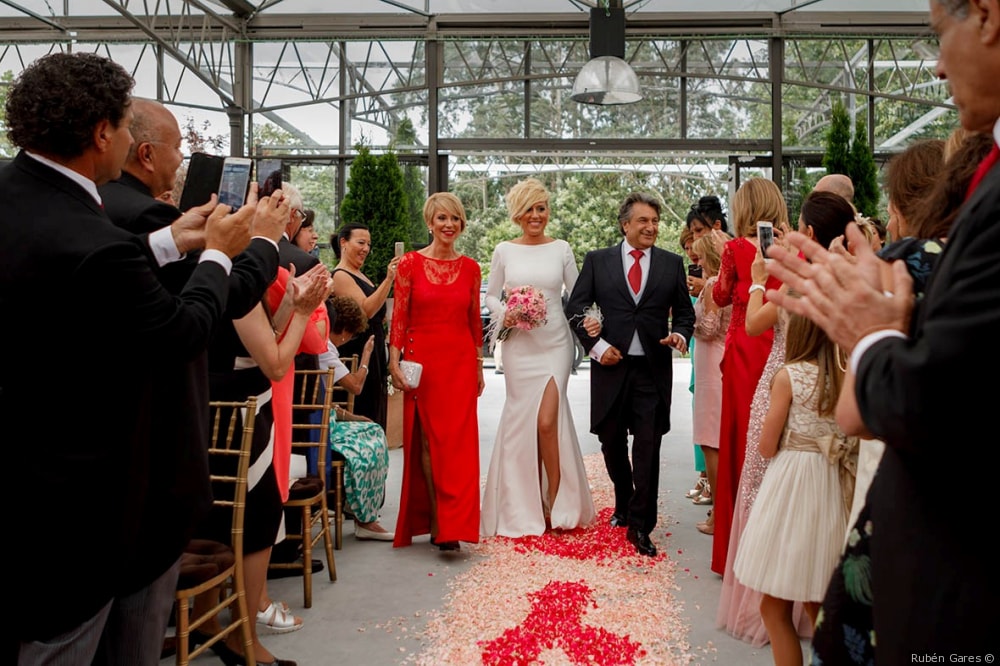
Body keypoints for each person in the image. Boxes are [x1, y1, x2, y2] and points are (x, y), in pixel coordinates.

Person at [764, 0, 999, 656]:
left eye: (938, 33)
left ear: (986, 16)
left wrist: (867, 333)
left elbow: (920, 402)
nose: (937, 63)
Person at [1, 52, 253, 665]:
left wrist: (173, 241)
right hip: (79, 506)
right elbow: (180, 330)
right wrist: (218, 254)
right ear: (101, 134)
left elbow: (75, 272)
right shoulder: (92, 241)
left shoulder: (24, 201)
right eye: (123, 126)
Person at [98, 98, 288, 659]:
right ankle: (221, 631)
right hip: (154, 421)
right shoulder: (141, 214)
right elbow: (219, 298)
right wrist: (264, 241)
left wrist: (182, 237)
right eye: (178, 147)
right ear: (146, 151)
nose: (182, 161)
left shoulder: (102, 211)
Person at [718, 189, 855, 648]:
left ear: (811, 232)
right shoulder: (845, 281)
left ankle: (775, 595)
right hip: (831, 396)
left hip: (782, 386)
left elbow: (755, 322)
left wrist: (759, 278)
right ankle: (811, 600)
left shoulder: (798, 283)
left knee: (766, 489)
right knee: (818, 498)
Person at [196, 262, 333, 666]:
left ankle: (207, 621)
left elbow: (256, 336)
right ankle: (244, 635)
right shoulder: (240, 274)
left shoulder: (212, 266)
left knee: (213, 514)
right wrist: (304, 311)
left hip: (206, 404)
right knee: (256, 517)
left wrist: (288, 306)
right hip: (241, 410)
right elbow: (274, 361)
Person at [565, 191, 695, 557]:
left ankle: (641, 525)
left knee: (648, 447)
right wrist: (596, 347)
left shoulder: (671, 264)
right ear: (625, 225)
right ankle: (624, 499)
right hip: (611, 366)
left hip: (653, 370)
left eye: (655, 221)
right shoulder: (598, 261)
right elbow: (574, 308)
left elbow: (685, 314)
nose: (651, 227)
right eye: (643, 221)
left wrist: (681, 335)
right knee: (610, 441)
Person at [733, 313, 858, 666]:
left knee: (773, 607)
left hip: (793, 484)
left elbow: (767, 446)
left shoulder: (789, 376)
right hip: (829, 482)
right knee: (816, 596)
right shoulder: (844, 374)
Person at [480, 177, 598, 537]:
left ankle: (556, 501)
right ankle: (523, 506)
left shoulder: (561, 248)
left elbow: (578, 296)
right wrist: (506, 313)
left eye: (541, 208)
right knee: (523, 423)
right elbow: (490, 296)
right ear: (518, 214)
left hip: (555, 345)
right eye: (530, 209)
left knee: (548, 421)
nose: (536, 215)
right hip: (519, 345)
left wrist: (593, 319)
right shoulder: (504, 250)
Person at [388, 192, 484, 551]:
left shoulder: (472, 268)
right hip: (422, 361)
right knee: (427, 440)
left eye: (455, 219)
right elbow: (400, 316)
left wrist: (478, 366)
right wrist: (393, 360)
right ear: (430, 223)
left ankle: (454, 523)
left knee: (457, 445)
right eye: (442, 218)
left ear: (461, 225)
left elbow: (474, 321)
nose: (449, 225)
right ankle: (437, 520)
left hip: (459, 361)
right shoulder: (410, 264)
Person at [709, 177, 786, 576]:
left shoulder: (736, 248)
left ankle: (737, 549)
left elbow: (721, 295)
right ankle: (775, 543)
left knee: (741, 437)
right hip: (779, 345)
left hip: (743, 348)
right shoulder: (791, 250)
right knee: (774, 439)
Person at [320, 295, 394, 540]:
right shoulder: (325, 348)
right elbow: (355, 386)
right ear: (344, 332)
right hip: (322, 425)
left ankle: (362, 511)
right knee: (369, 443)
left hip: (326, 415)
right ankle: (364, 517)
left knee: (372, 431)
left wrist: (354, 417)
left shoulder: (323, 345)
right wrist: (366, 358)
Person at [331, 222, 401, 428]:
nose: (366, 249)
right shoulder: (341, 275)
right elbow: (365, 311)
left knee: (376, 406)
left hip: (374, 348)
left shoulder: (360, 274)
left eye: (368, 244)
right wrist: (389, 279)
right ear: (343, 243)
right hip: (359, 350)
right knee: (364, 408)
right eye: (361, 242)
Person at [690, 233, 731, 535]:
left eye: (701, 256)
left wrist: (684, 323)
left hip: (710, 365)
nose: (698, 262)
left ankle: (719, 515)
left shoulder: (712, 286)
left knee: (710, 442)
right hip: (719, 360)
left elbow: (708, 328)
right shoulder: (728, 284)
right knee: (718, 440)